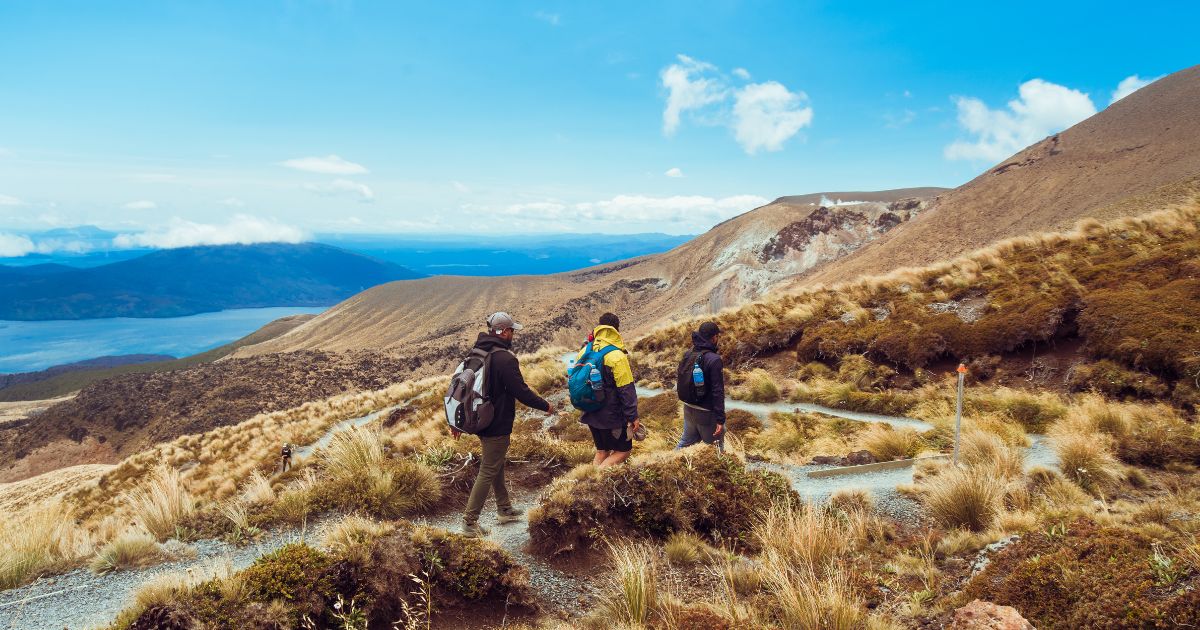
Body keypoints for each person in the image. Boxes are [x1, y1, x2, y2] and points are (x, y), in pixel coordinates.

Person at [459, 311, 556, 538]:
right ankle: (469, 522)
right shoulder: (505, 358)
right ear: (503, 332)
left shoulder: (477, 353)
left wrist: (458, 423)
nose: (513, 334)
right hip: (497, 422)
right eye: (511, 330)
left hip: (479, 419)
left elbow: (460, 390)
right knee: (489, 468)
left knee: (495, 463)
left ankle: (504, 508)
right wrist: (546, 406)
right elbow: (521, 392)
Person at [577, 312, 641, 467]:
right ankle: (596, 481)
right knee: (623, 451)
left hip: (590, 411)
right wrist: (633, 416)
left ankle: (589, 482)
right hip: (611, 416)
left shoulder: (585, 350)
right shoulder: (616, 355)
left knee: (602, 451)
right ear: (616, 330)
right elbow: (626, 389)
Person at [676, 321, 726, 451]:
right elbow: (717, 391)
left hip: (688, 407)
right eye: (717, 337)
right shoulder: (714, 359)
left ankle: (664, 465)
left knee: (686, 443)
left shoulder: (689, 353)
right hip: (706, 413)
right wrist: (720, 420)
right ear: (714, 337)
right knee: (715, 449)